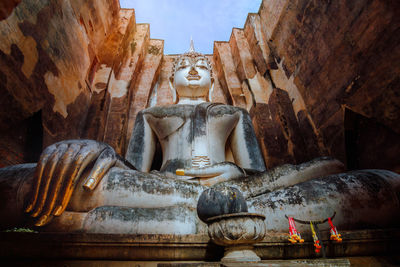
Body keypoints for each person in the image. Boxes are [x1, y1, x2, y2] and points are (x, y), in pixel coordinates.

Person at [0, 44, 399, 234]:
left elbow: (258, 170)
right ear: (171, 77)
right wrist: (98, 153)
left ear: (212, 75)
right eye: (184, 65)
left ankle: (217, 215)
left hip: (241, 188)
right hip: (160, 186)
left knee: (374, 183)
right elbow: (131, 169)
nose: (193, 69)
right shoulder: (151, 114)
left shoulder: (234, 113)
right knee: (37, 180)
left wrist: (229, 170)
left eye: (201, 65)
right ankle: (237, 222)